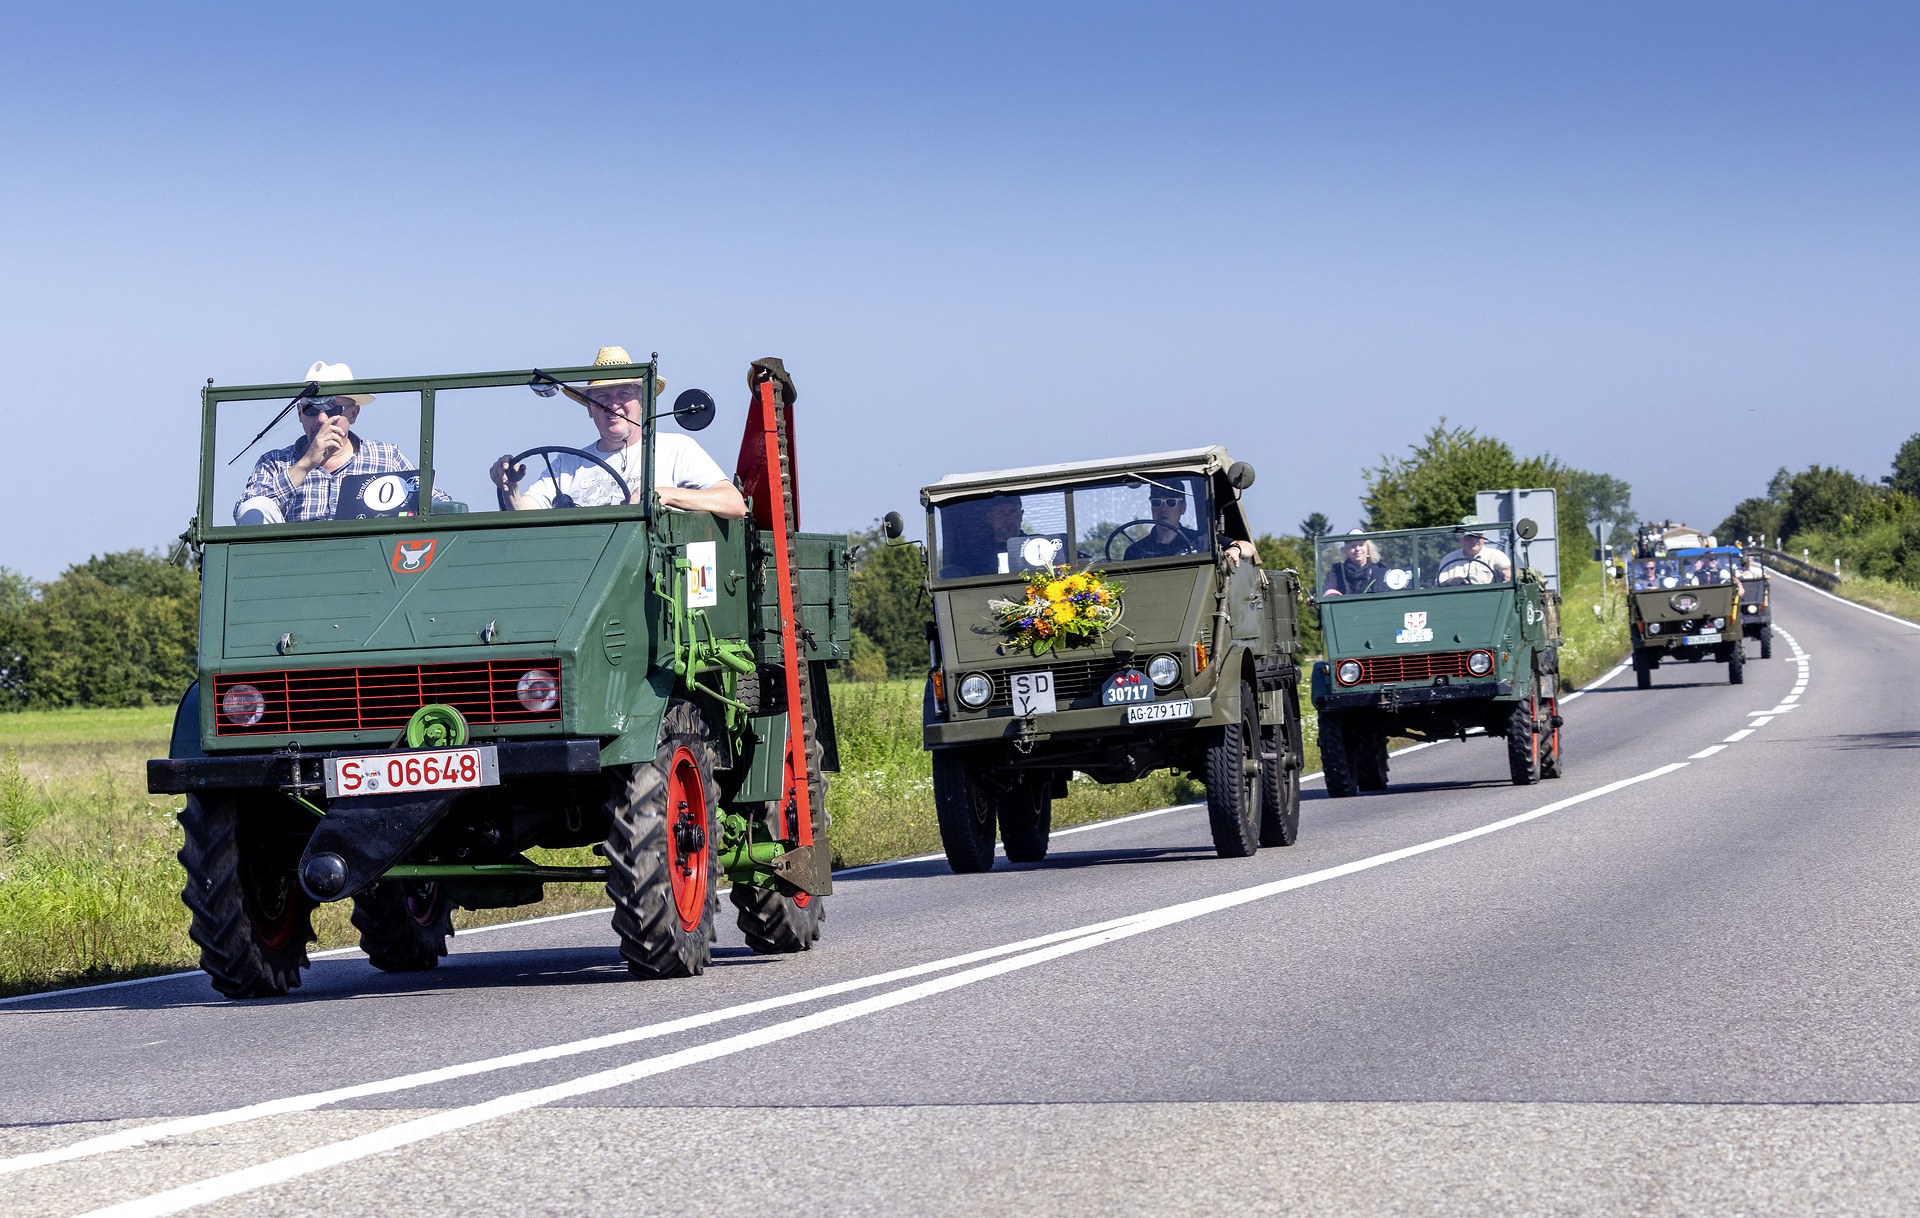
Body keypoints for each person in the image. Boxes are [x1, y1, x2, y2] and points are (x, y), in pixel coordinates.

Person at [490, 346, 747, 519]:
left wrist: (660, 494)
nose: (612, 405)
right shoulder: (566, 465)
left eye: (623, 394)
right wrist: (509, 487)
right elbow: (523, 512)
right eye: (601, 397)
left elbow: (733, 504)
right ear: (589, 408)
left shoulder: (677, 448)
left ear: (642, 401)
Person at [234, 361, 446, 524]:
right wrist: (306, 464)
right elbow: (246, 511)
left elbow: (441, 504)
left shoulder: (386, 456)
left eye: (333, 409)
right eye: (312, 409)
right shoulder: (275, 462)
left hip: (369, 566)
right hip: (295, 568)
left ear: (353, 414)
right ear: (300, 413)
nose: (322, 419)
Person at [1435, 520, 1513, 586]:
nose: (1473, 541)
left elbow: (1506, 569)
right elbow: (1438, 585)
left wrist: (1506, 573)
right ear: (1460, 538)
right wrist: (1450, 582)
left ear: (1484, 536)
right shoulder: (1449, 559)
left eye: (1477, 536)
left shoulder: (1495, 555)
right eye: (1469, 537)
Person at [1320, 530, 1388, 596]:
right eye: (1352, 546)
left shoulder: (1379, 570)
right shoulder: (1337, 571)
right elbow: (1327, 591)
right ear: (1346, 550)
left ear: (1368, 549)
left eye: (1361, 545)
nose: (1357, 549)